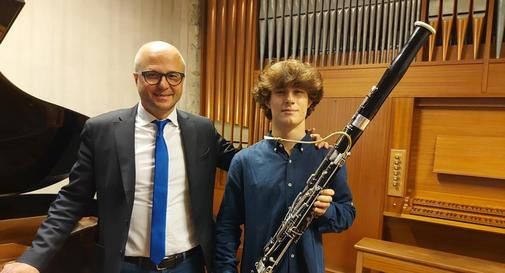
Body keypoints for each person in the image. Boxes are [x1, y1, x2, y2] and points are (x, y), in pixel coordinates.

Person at [1, 42, 327, 273]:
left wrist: (300, 145)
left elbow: (251, 162)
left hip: (187, 264)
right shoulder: (102, 131)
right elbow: (71, 201)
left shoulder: (201, 130)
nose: (163, 84)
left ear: (182, 81)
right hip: (122, 265)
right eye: (152, 75)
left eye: (173, 76)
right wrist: (33, 258)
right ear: (136, 78)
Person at [215, 59, 356, 273]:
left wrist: (326, 211)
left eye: (298, 92)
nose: (289, 99)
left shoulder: (327, 158)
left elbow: (347, 213)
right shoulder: (244, 161)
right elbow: (227, 227)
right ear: (267, 101)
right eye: (280, 92)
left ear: (310, 101)